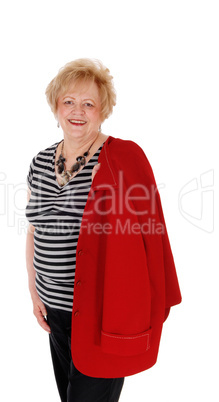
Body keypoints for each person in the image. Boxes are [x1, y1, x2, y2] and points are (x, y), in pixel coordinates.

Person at [25, 58, 182, 402]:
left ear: (103, 111)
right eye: (68, 101)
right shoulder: (39, 161)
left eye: (88, 104)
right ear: (55, 106)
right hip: (55, 312)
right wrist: (35, 291)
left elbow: (149, 236)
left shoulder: (123, 158)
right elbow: (34, 228)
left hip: (101, 316)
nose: (77, 111)